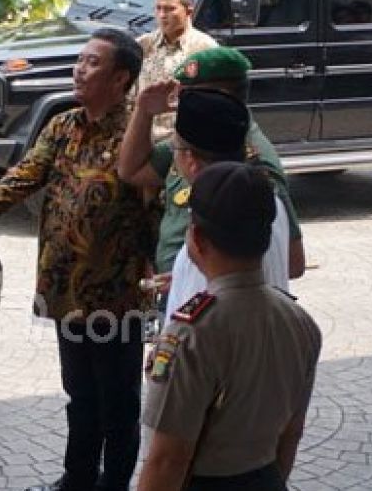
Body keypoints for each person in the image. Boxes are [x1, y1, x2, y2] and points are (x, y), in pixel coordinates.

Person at [0, 28, 152, 491]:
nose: (79, 69)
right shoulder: (63, 125)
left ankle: (113, 488)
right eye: (80, 60)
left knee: (119, 402)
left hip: (117, 294)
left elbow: (160, 207)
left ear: (121, 78)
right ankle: (78, 479)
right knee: (81, 394)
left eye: (92, 63)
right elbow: (26, 174)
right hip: (66, 287)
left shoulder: (139, 135)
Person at [137, 162, 322, 491]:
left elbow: (168, 459)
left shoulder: (189, 333)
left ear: (196, 238)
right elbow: (291, 434)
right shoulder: (301, 323)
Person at [118, 46, 305, 306]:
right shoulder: (201, 139)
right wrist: (144, 112)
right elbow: (131, 170)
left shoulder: (254, 168)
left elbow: (292, 262)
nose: (178, 101)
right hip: (186, 294)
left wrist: (206, 275)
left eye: (188, 95)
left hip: (218, 312)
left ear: (222, 96)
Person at [157, 88, 295, 319]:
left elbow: (201, 324)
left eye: (175, 149)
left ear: (190, 160)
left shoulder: (213, 215)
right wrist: (182, 275)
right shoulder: (267, 199)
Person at [134, 0, 218, 142]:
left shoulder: (205, 50)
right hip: (141, 138)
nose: (162, 15)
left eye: (170, 9)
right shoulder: (143, 46)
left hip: (180, 142)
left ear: (188, 11)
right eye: (158, 8)